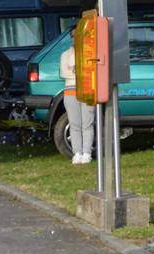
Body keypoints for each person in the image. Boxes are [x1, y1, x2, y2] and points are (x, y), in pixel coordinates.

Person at [60, 27, 95, 165]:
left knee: (88, 123)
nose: (76, 38)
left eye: (78, 35)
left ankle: (87, 152)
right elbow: (64, 73)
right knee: (75, 124)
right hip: (70, 91)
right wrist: (80, 71)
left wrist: (75, 70)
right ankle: (77, 153)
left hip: (86, 90)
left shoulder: (89, 52)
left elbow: (91, 70)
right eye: (73, 36)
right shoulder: (65, 55)